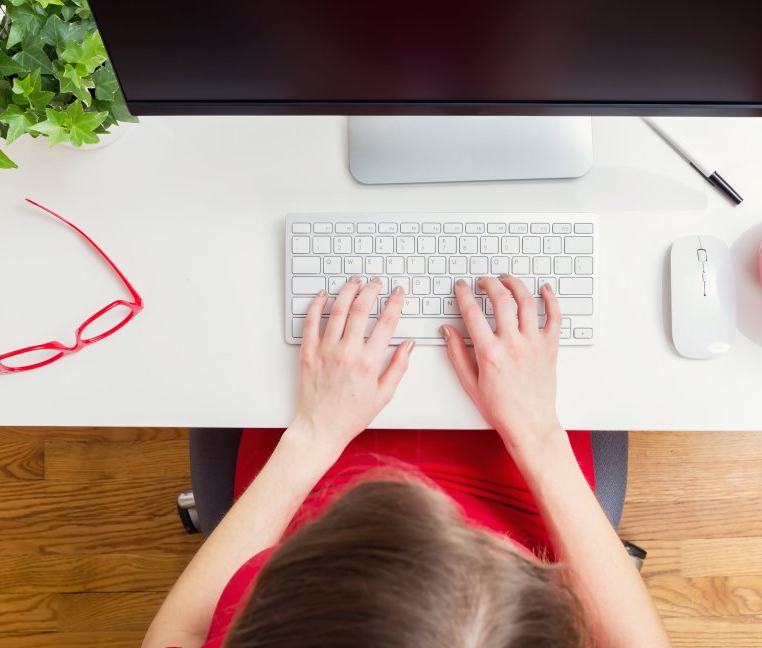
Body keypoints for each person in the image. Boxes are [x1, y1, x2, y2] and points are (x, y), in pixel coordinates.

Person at [144, 275, 670, 648]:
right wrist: (536, 433)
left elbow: (177, 637)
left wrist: (312, 434)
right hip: (522, 490)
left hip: (305, 481)